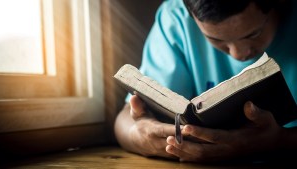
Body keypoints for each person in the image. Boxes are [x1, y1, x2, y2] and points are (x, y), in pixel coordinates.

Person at [114, 0, 297, 163]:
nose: (238, 54)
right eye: (215, 39)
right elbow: (124, 122)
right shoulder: (176, 18)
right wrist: (142, 136)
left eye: (253, 34)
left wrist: (282, 140)